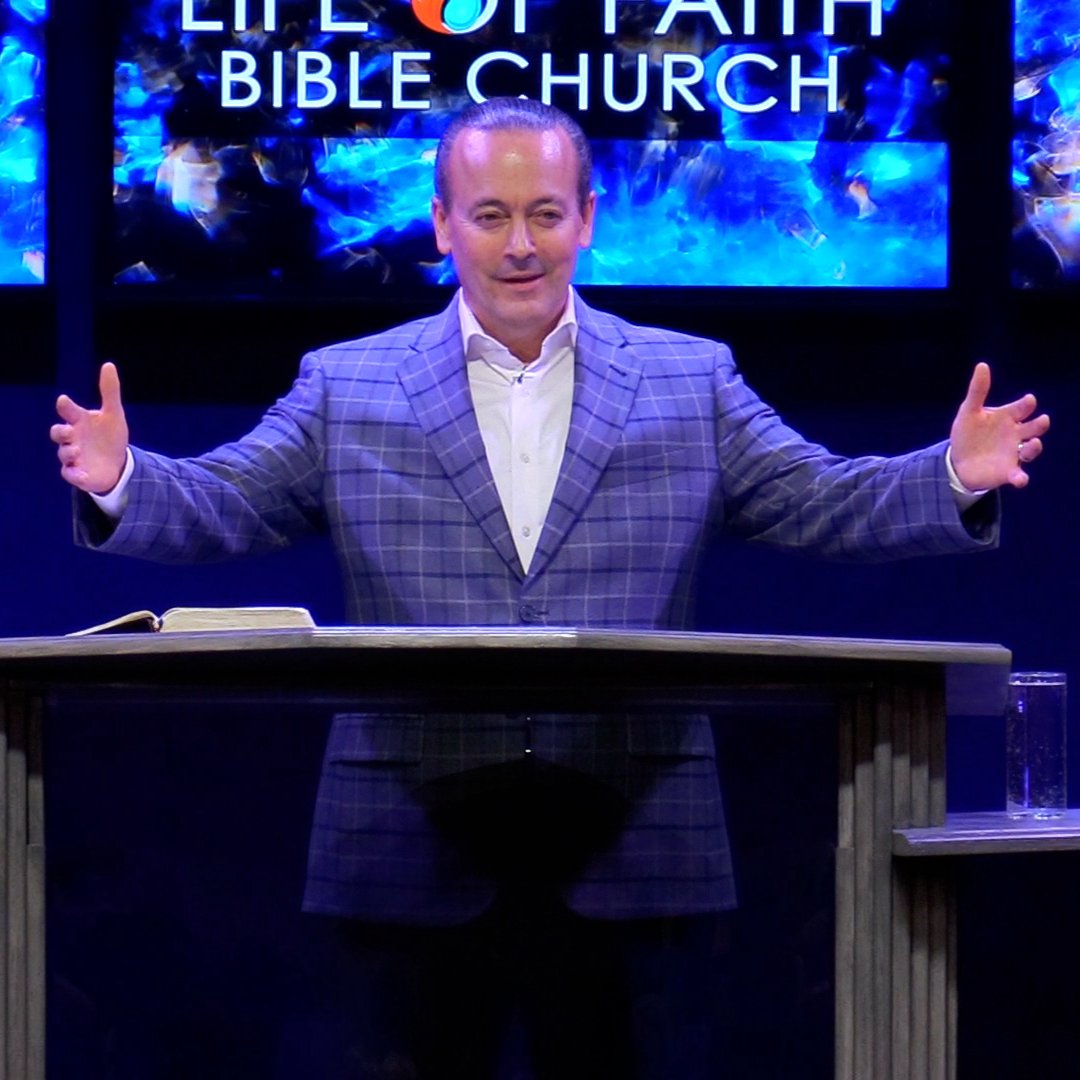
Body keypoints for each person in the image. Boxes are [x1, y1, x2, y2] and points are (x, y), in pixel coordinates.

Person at [52, 98, 1049, 1078]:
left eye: (544, 214)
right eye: (490, 215)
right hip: (410, 841)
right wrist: (121, 479)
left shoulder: (689, 378)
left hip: (633, 837)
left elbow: (822, 500)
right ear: (443, 224)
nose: (520, 244)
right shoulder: (346, 382)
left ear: (588, 217)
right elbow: (228, 498)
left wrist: (951, 475)